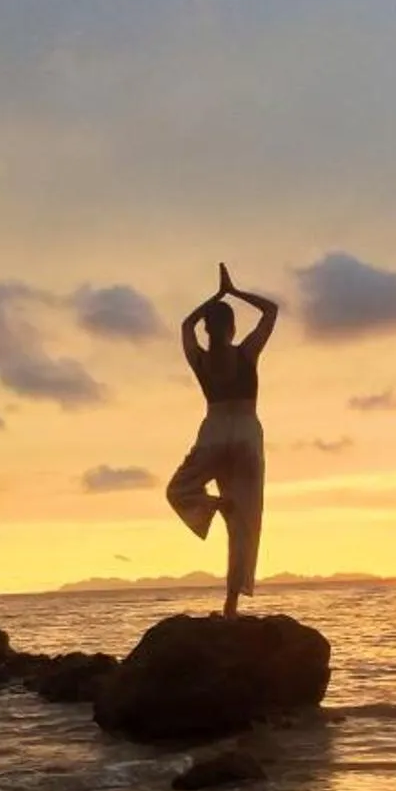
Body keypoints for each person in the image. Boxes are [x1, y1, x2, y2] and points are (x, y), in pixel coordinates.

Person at [167, 264, 277, 617]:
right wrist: (234, 291)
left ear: (206, 328)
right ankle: (230, 605)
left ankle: (213, 505)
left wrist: (213, 298)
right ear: (231, 328)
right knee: (245, 520)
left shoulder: (200, 359)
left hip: (213, 430)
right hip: (245, 432)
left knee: (179, 490)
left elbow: (185, 326)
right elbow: (271, 310)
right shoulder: (246, 354)